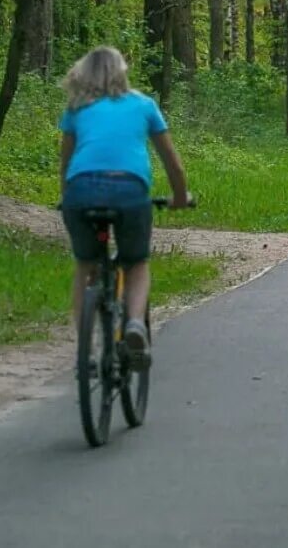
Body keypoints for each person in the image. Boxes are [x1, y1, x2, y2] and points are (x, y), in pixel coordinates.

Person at [58, 47, 191, 367]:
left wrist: (68, 200)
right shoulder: (144, 105)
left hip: (81, 192)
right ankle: (134, 323)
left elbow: (66, 165)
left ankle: (85, 352)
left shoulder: (76, 109)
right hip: (130, 191)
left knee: (85, 264)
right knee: (137, 262)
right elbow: (173, 164)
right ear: (122, 72)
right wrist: (180, 197)